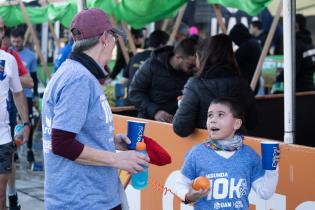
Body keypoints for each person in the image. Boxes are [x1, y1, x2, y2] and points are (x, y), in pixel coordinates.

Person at [41, 8, 149, 210]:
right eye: (114, 36)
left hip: (87, 197)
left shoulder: (75, 73)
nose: (115, 43)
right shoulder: (79, 78)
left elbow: (72, 132)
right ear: (105, 38)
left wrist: (109, 141)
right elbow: (62, 143)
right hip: (83, 200)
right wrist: (117, 159)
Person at [175, 97, 279, 210]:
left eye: (220, 115)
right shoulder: (196, 153)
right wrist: (189, 196)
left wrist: (272, 168)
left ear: (237, 123)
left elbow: (265, 193)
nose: (212, 120)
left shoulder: (249, 155)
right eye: (210, 115)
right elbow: (180, 184)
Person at [173, 34, 257, 137]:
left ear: (203, 56)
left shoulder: (195, 85)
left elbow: (181, 128)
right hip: (237, 148)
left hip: (204, 147)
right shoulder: (243, 84)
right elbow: (252, 123)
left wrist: (182, 104)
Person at [128, 37, 198, 122]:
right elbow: (134, 93)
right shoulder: (151, 65)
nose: (195, 69)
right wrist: (155, 111)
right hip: (151, 123)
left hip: (181, 125)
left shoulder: (194, 73)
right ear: (178, 58)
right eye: (191, 65)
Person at [0, 21, 30, 210]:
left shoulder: (8, 59)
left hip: (3, 136)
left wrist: (26, 123)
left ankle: (10, 197)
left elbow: (18, 93)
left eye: (1, 29)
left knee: (0, 193)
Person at [11, 27, 38, 163]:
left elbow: (34, 77)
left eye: (18, 41)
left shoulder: (31, 56)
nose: (16, 44)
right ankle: (14, 150)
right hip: (11, 95)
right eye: (14, 41)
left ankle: (29, 150)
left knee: (28, 122)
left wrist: (35, 96)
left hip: (26, 94)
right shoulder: (8, 54)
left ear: (23, 40)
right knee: (13, 122)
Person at [275, 14, 315, 92]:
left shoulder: (296, 45)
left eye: (287, 22)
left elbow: (293, 71)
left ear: (296, 24)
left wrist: (276, 78)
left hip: (298, 91)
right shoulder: (309, 43)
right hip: (309, 88)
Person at [229, 23, 261, 94]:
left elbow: (234, 61)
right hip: (254, 82)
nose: (235, 43)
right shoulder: (253, 43)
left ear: (238, 36)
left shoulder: (247, 45)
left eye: (234, 40)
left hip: (247, 84)